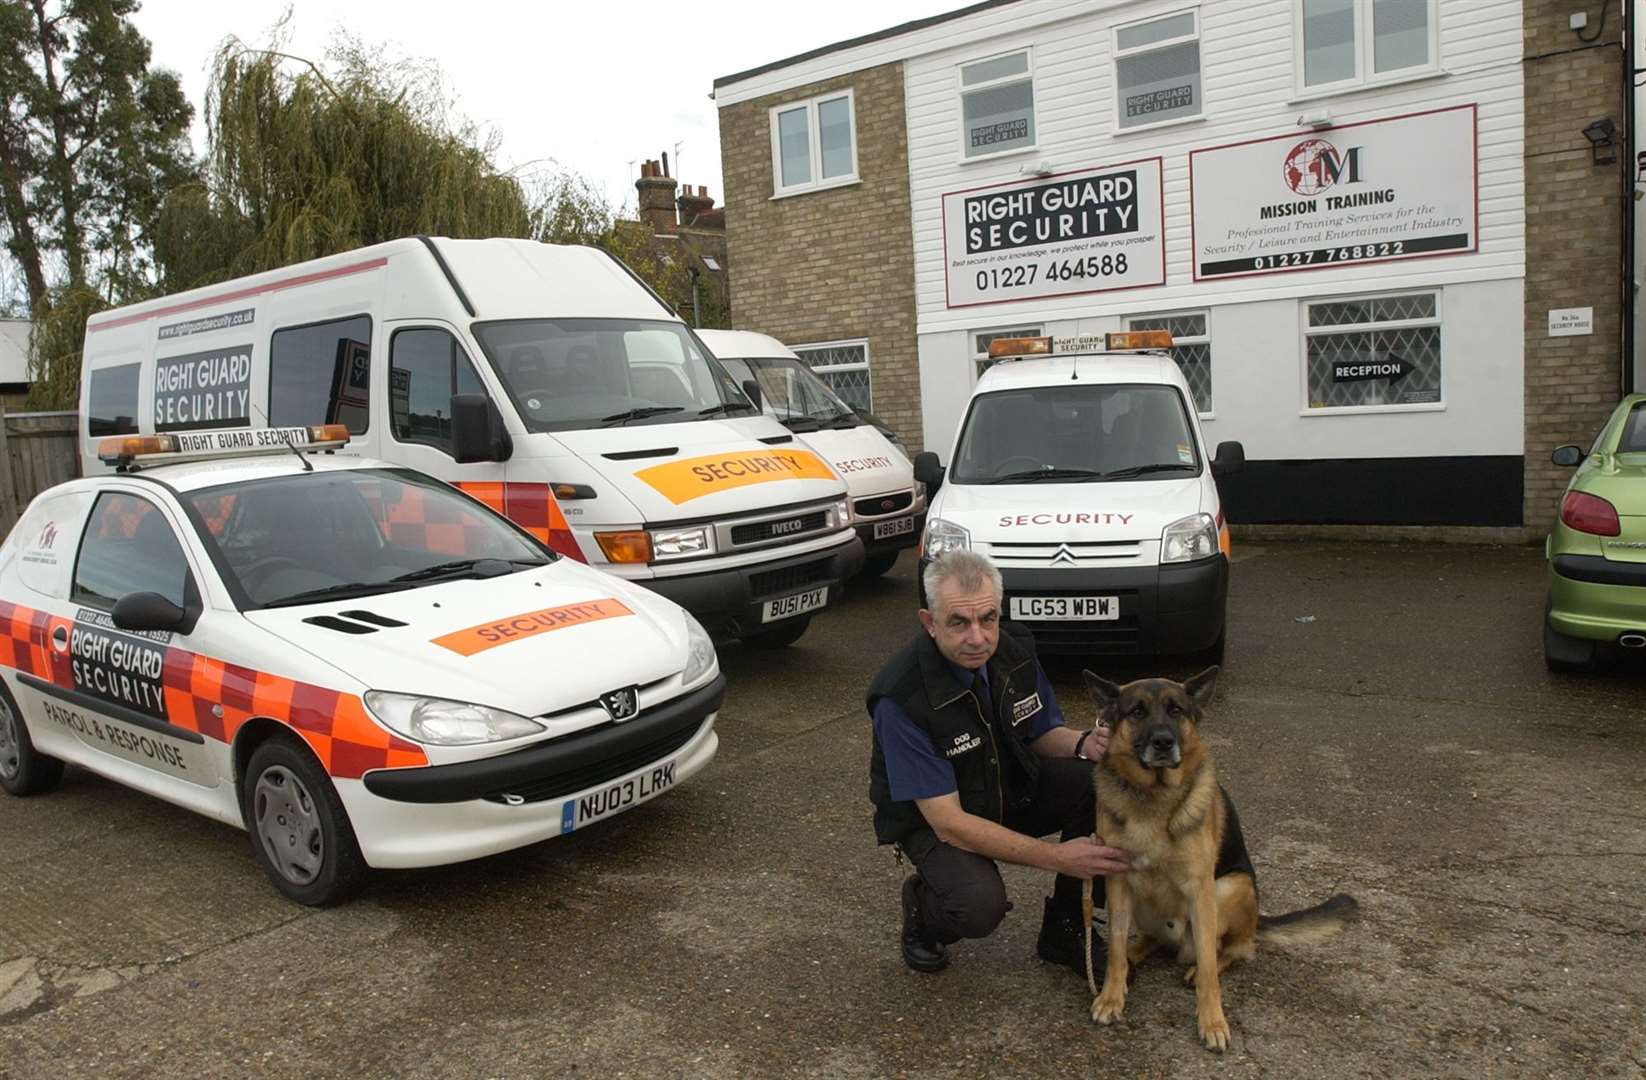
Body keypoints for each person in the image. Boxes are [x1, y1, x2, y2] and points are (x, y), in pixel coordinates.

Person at [866, 550, 1129, 974]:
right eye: (959, 622)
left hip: (1006, 784)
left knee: (1103, 781)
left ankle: (1065, 925)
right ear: (929, 623)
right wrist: (1058, 857)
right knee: (977, 906)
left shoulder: (1014, 651)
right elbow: (950, 822)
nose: (978, 637)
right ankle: (923, 910)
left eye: (988, 619)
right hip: (936, 819)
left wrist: (1086, 743)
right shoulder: (902, 698)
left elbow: (1039, 731)